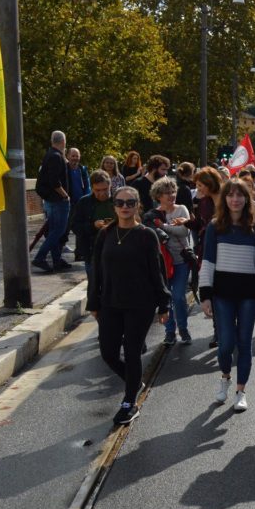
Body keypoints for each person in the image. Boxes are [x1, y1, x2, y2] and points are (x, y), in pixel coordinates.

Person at [87, 186, 170, 425]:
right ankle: (134, 381)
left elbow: (157, 272)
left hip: (140, 304)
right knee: (108, 353)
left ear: (137, 206)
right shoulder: (106, 234)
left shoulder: (146, 235)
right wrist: (94, 302)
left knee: (132, 351)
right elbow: (97, 271)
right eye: (120, 202)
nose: (125, 206)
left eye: (130, 202)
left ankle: (129, 401)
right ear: (114, 206)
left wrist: (164, 304)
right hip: (110, 303)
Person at [199, 178, 255, 412]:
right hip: (223, 294)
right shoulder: (215, 227)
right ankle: (225, 377)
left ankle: (241, 391)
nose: (235, 199)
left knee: (244, 342)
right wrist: (205, 294)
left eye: (239, 195)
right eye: (230, 195)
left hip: (249, 294)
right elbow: (208, 261)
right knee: (225, 345)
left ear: (247, 199)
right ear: (224, 199)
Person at [144, 177, 195, 346]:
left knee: (179, 296)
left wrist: (163, 227)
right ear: (158, 196)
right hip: (163, 263)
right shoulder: (153, 214)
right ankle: (169, 332)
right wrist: (160, 225)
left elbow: (183, 231)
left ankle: (183, 329)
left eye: (173, 192)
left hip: (181, 261)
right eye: (167, 193)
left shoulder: (182, 209)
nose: (171, 195)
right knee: (166, 299)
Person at [190, 167, 222, 349]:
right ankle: (218, 331)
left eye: (200, 185)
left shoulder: (228, 197)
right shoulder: (203, 202)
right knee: (214, 291)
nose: (198, 188)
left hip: (228, 251)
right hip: (208, 250)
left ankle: (230, 328)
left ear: (210, 184)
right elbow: (200, 223)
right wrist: (187, 222)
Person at [32, 131, 72, 273]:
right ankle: (40, 257)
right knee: (58, 231)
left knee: (54, 231)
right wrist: (65, 195)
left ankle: (56, 260)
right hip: (58, 200)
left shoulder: (50, 155)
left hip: (50, 199)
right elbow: (54, 181)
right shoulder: (56, 157)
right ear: (63, 141)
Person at [70, 171, 114, 282]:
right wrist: (93, 226)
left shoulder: (119, 200)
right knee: (94, 286)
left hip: (116, 250)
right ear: (92, 188)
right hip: (93, 251)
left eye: (105, 189)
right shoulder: (84, 202)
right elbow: (75, 226)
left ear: (110, 186)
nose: (102, 193)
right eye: (97, 190)